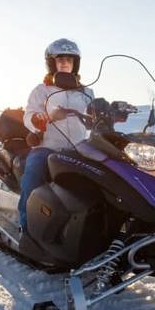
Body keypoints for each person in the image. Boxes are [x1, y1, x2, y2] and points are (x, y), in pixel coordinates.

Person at [18, 38, 93, 231]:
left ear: (75, 63)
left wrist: (112, 113)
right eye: (60, 60)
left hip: (79, 149)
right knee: (32, 176)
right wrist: (38, 119)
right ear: (52, 63)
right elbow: (29, 114)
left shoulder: (86, 92)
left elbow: (95, 113)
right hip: (47, 148)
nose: (65, 63)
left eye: (69, 59)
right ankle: (26, 227)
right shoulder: (42, 90)